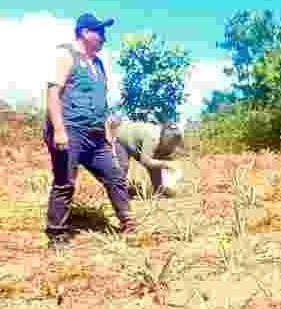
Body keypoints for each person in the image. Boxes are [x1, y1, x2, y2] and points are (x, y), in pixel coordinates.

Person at [45, 13, 136, 247]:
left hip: (96, 135)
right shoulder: (65, 55)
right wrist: (59, 130)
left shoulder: (98, 64)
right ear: (85, 32)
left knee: (115, 176)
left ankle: (128, 223)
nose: (104, 37)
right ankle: (57, 235)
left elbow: (102, 102)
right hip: (70, 130)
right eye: (100, 32)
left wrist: (107, 135)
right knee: (65, 182)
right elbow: (53, 93)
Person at [116, 120, 185, 197]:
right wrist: (165, 164)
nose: (172, 146)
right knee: (123, 166)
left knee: (155, 163)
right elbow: (145, 161)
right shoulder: (153, 138)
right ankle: (119, 192)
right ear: (165, 138)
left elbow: (156, 162)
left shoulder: (166, 140)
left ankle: (158, 190)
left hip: (136, 140)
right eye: (171, 143)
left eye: (174, 143)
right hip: (122, 137)